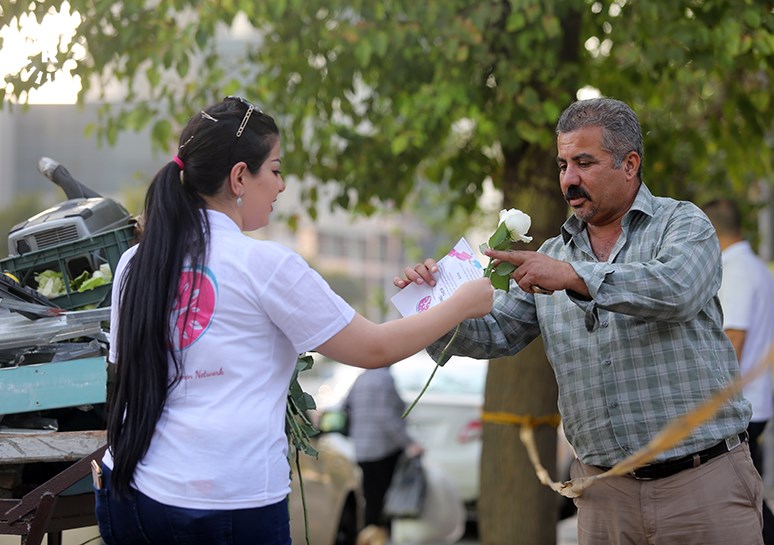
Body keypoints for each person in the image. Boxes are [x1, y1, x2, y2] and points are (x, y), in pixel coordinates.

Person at [95, 96, 494, 545]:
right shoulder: (265, 265)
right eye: (277, 170)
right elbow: (373, 348)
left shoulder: (134, 261)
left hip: (130, 493)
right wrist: (460, 304)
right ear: (240, 176)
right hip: (224, 505)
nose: (281, 187)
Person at [395, 97, 763, 544]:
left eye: (584, 162)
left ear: (630, 164)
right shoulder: (551, 255)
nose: (569, 179)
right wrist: (433, 304)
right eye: (563, 164)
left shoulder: (684, 224)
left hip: (701, 485)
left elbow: (676, 290)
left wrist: (573, 277)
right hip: (603, 496)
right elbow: (494, 334)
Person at [702, 198, 774, 545]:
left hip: (737, 407)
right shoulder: (756, 268)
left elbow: (731, 342)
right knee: (744, 500)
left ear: (708, 231)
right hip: (754, 401)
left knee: (739, 503)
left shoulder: (735, 271)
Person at [346, 367, 423, 544]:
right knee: (383, 500)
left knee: (370, 496)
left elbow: (346, 406)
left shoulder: (361, 378)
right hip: (383, 448)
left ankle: (369, 536)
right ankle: (377, 538)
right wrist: (409, 443)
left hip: (362, 448)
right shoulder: (385, 379)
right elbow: (387, 416)